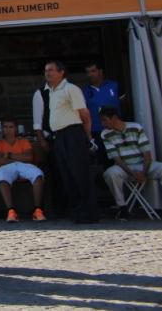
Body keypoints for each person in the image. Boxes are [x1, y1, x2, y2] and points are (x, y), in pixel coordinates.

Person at [41, 60, 98, 223]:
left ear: (61, 72)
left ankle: (88, 213)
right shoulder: (50, 91)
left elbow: (84, 114)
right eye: (46, 70)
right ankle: (77, 211)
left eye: (51, 70)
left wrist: (87, 136)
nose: (48, 73)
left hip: (73, 133)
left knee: (80, 173)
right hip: (59, 136)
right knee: (67, 175)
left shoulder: (70, 89)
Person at [99, 107, 162, 221]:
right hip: (125, 167)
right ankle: (122, 207)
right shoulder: (105, 134)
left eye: (104, 120)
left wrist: (143, 172)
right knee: (110, 174)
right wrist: (132, 173)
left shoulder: (135, 127)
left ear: (115, 118)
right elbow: (116, 158)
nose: (103, 124)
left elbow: (146, 153)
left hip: (144, 165)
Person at [0, 118, 46, 223]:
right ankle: (11, 211)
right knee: (2, 176)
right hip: (7, 167)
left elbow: (28, 157)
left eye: (11, 127)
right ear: (2, 129)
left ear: (16, 129)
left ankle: (37, 210)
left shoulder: (24, 141)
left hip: (24, 166)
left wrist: (9, 155)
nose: (8, 130)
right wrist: (19, 156)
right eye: (5, 127)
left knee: (38, 174)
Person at [82, 61, 122, 163]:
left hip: (117, 129)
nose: (90, 74)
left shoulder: (114, 85)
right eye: (87, 72)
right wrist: (89, 136)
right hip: (97, 132)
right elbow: (83, 115)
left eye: (93, 71)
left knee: (122, 158)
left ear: (100, 71)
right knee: (105, 161)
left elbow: (125, 105)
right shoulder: (84, 92)